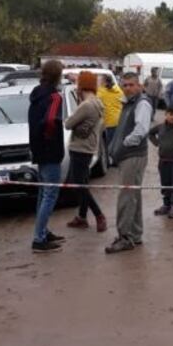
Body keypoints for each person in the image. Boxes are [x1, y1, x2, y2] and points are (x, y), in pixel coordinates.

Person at [105, 72, 154, 254]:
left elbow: (141, 130)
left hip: (133, 155)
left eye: (131, 85)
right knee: (133, 195)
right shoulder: (129, 103)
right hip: (128, 155)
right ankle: (134, 234)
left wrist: (124, 144)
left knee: (126, 196)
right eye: (124, 85)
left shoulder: (141, 103)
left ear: (139, 85)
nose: (127, 88)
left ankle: (125, 237)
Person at [28, 60, 68, 254]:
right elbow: (51, 119)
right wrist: (50, 137)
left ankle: (42, 230)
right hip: (50, 150)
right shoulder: (54, 97)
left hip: (37, 149)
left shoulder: (36, 93)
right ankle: (39, 238)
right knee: (51, 193)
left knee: (43, 192)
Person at [64, 71, 108, 233]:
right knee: (83, 182)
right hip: (89, 147)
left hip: (80, 148)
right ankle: (82, 217)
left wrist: (71, 120)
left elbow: (68, 124)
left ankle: (98, 214)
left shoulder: (86, 105)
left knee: (80, 185)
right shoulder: (97, 102)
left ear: (81, 86)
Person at [98, 74, 124, 165]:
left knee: (107, 144)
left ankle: (107, 161)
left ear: (104, 82)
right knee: (115, 142)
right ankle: (115, 160)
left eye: (100, 80)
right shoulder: (119, 91)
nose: (99, 82)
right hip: (117, 119)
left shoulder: (100, 92)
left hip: (107, 121)